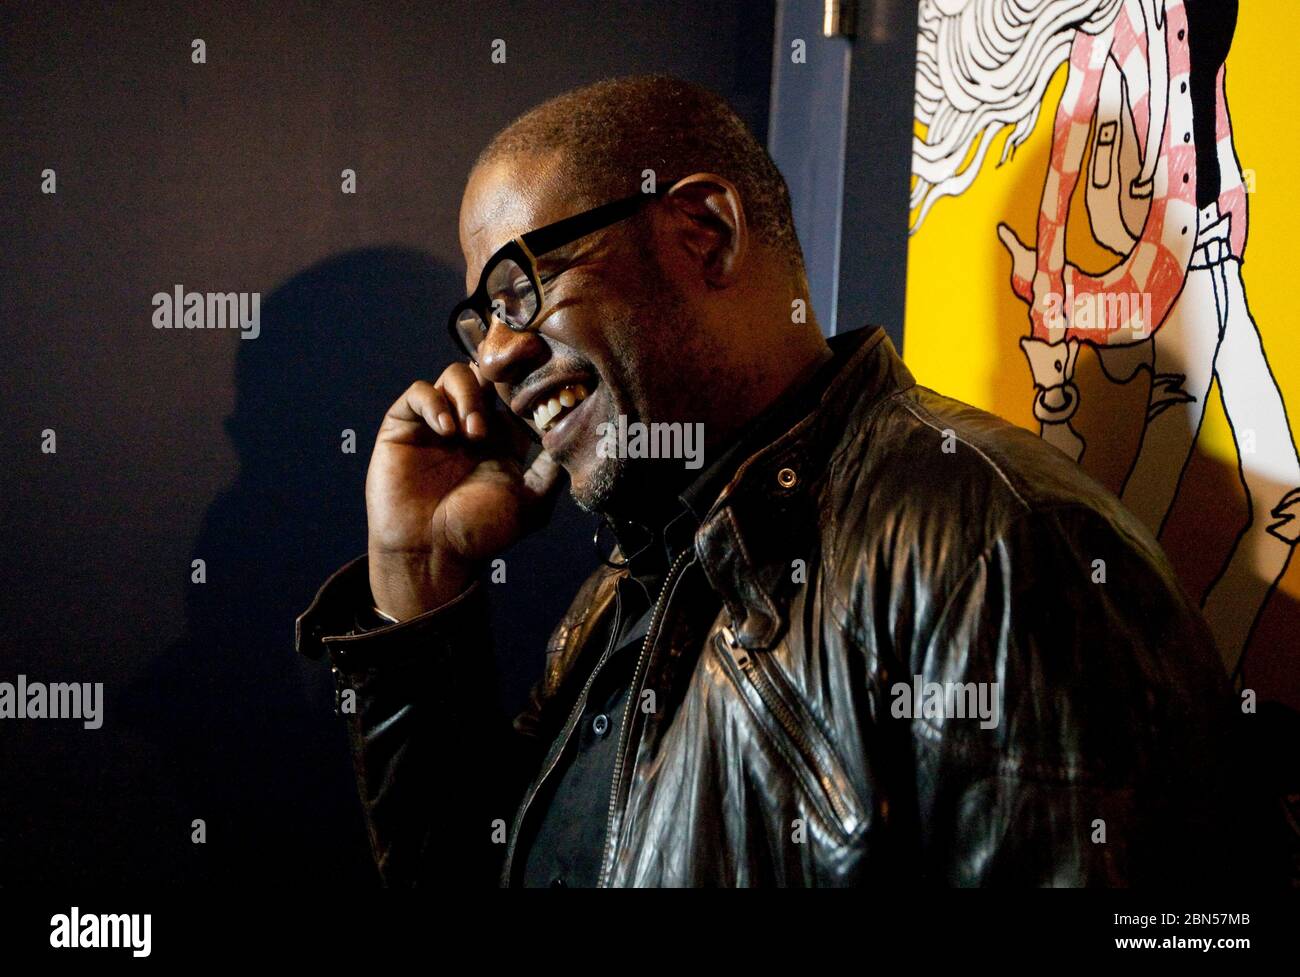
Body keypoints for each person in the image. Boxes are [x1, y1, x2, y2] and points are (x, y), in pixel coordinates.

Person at [297, 74, 1248, 887]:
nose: (495, 356)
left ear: (704, 232)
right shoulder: (627, 592)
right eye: (479, 320)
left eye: (520, 289)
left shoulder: (995, 546)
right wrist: (416, 574)